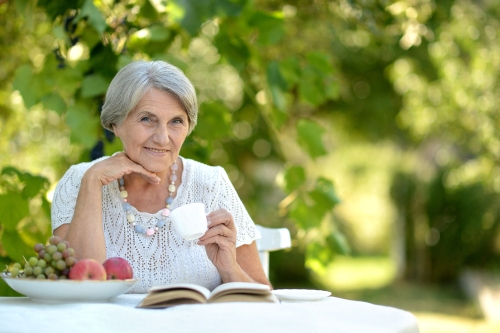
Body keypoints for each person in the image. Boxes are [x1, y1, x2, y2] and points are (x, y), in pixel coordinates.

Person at [51, 60, 270, 293]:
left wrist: (230, 269)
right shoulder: (79, 180)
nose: (163, 138)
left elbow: (266, 299)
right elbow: (78, 291)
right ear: (115, 123)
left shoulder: (212, 183)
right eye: (147, 119)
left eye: (176, 121)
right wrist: (91, 183)